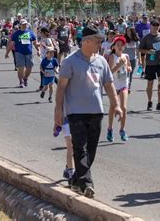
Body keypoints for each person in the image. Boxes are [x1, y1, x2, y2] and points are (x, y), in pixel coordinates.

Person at [54, 26, 122, 198]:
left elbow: (109, 85)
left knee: (91, 150)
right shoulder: (70, 61)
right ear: (86, 41)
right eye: (98, 41)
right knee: (80, 148)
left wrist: (117, 105)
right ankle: (87, 184)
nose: (100, 44)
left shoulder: (101, 61)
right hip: (75, 112)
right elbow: (61, 88)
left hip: (96, 111)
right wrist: (58, 110)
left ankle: (76, 181)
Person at [106, 36, 131, 142]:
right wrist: (119, 65)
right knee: (112, 108)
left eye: (122, 45)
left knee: (124, 108)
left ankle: (122, 130)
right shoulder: (112, 57)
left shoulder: (126, 56)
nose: (120, 47)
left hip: (124, 84)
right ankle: (110, 129)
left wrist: (128, 68)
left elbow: (129, 66)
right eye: (118, 45)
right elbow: (110, 72)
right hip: (114, 86)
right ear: (114, 46)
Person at [139, 20, 160, 111]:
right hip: (150, 64)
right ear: (150, 26)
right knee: (150, 83)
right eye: (153, 25)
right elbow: (140, 49)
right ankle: (149, 101)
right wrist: (148, 51)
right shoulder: (146, 38)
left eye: (157, 25)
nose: (155, 27)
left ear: (159, 26)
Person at [5, 19, 40, 88]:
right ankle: (21, 81)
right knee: (21, 67)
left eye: (25, 24)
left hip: (29, 52)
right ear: (20, 25)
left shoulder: (30, 33)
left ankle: (25, 78)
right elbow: (12, 44)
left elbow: (35, 42)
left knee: (29, 67)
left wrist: (38, 50)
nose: (24, 25)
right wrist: (7, 52)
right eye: (23, 24)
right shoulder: (16, 34)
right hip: (19, 52)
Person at [124, 26, 140, 93]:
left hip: (133, 59)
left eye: (129, 31)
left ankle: (128, 87)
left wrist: (140, 59)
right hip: (124, 59)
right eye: (127, 31)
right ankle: (124, 87)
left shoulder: (136, 41)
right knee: (124, 73)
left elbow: (138, 50)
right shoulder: (124, 39)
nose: (128, 33)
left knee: (130, 74)